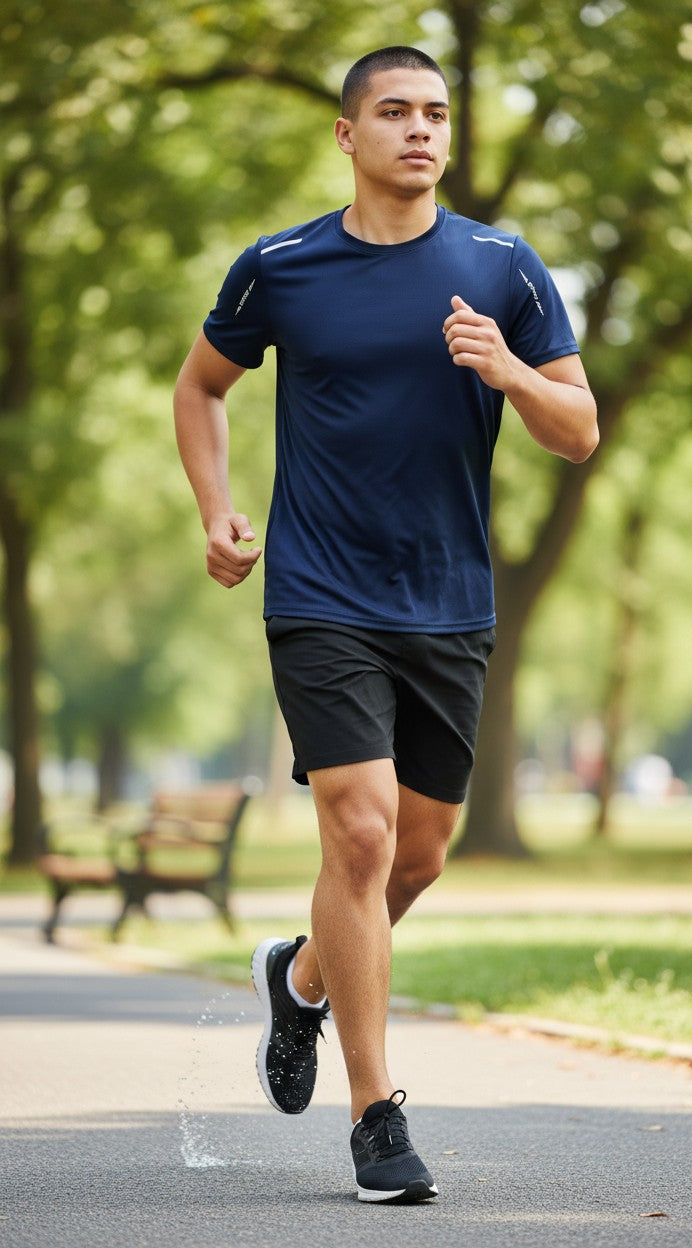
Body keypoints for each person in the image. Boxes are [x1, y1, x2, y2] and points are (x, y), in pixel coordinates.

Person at [173, 45, 598, 1205]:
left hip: (448, 601)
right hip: (318, 592)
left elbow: (580, 431)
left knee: (416, 855)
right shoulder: (281, 268)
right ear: (347, 136)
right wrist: (217, 512)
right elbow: (200, 385)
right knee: (356, 838)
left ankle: (300, 976)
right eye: (395, 112)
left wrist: (508, 367)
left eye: (436, 114)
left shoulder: (503, 268)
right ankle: (377, 1120)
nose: (420, 130)